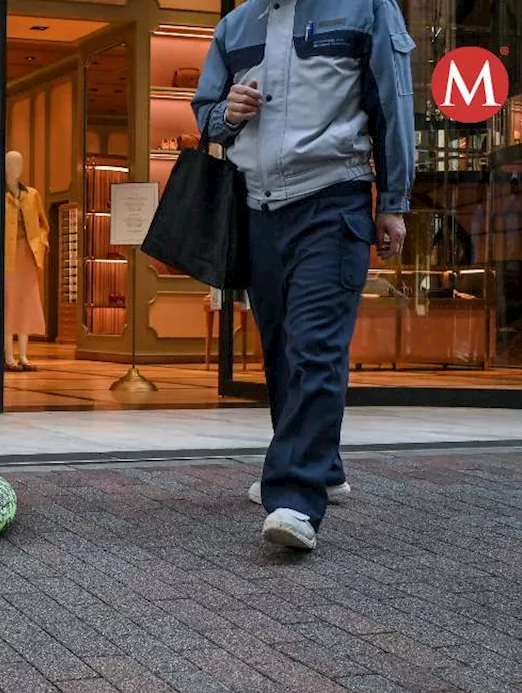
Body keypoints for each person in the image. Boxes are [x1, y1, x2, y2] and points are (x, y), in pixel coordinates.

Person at [193, 0, 416, 550]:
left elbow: (392, 101)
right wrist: (230, 113)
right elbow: (204, 113)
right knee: (282, 348)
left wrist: (392, 202)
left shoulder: (364, 8)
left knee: (315, 346)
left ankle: (295, 497)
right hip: (258, 210)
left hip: (332, 202)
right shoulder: (235, 26)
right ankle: (325, 467)